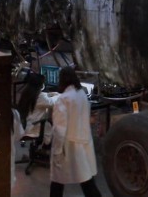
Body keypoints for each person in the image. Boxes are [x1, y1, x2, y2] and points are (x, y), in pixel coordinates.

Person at [49, 66, 101, 197]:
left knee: (58, 180)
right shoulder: (82, 94)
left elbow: (59, 129)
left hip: (68, 146)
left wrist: (57, 150)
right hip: (83, 142)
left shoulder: (63, 99)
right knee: (86, 180)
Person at [16, 73, 54, 144]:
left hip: (26, 126)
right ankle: (46, 147)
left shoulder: (27, 93)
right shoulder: (40, 97)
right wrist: (60, 95)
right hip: (36, 128)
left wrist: (50, 94)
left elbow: (44, 97)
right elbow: (52, 102)